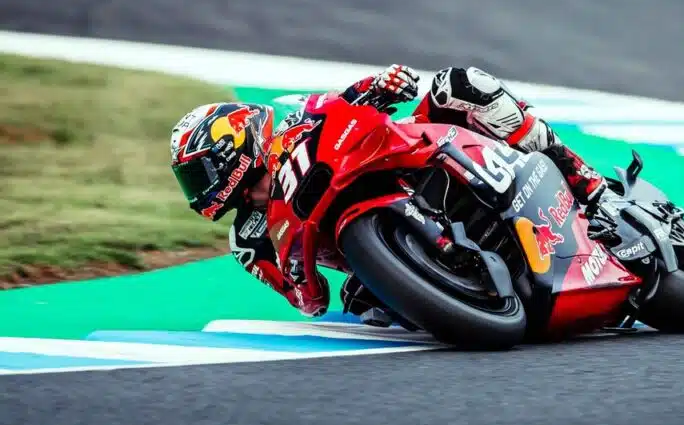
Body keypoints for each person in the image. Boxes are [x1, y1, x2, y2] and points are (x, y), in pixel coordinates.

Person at [169, 65, 607, 322]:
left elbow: (344, 100)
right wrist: (298, 272)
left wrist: (381, 83)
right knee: (363, 305)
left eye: (199, 172)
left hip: (401, 160)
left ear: (232, 144)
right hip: (380, 251)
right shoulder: (247, 240)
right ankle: (457, 294)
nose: (199, 189)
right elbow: (308, 302)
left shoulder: (292, 117)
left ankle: (589, 185)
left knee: (459, 83)